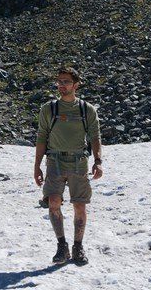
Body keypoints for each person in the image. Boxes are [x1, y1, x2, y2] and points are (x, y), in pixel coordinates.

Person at [33, 67, 103, 266]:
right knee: (53, 202)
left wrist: (98, 161)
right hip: (54, 161)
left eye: (66, 82)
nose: (61, 85)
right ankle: (61, 245)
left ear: (76, 84)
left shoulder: (86, 109)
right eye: (59, 81)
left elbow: (95, 137)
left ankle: (77, 246)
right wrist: (37, 166)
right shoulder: (49, 109)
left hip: (78, 162)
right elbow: (41, 137)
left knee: (79, 204)